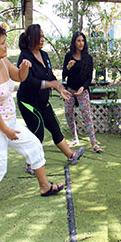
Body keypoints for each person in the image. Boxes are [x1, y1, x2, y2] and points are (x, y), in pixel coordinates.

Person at [0, 23, 64, 221]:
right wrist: (6, 130)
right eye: (3, 43)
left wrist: (24, 69)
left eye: (6, 42)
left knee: (34, 146)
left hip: (9, 123)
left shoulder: (4, 62)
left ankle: (45, 187)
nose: (7, 46)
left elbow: (19, 77)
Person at [17, 24, 85, 175]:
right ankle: (30, 164)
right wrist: (51, 84)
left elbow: (51, 77)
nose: (42, 39)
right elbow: (28, 81)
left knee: (54, 126)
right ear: (30, 38)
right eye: (39, 36)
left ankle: (71, 155)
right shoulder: (25, 57)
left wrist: (60, 88)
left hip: (42, 100)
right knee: (38, 130)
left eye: (43, 36)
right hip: (27, 101)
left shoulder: (45, 55)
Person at [62, 31, 103, 153]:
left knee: (87, 115)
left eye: (83, 40)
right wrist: (68, 67)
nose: (81, 43)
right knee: (68, 113)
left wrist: (83, 88)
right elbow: (64, 75)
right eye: (78, 40)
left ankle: (94, 143)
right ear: (74, 42)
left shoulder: (88, 58)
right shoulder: (69, 56)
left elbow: (89, 78)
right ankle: (75, 138)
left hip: (82, 90)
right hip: (70, 90)